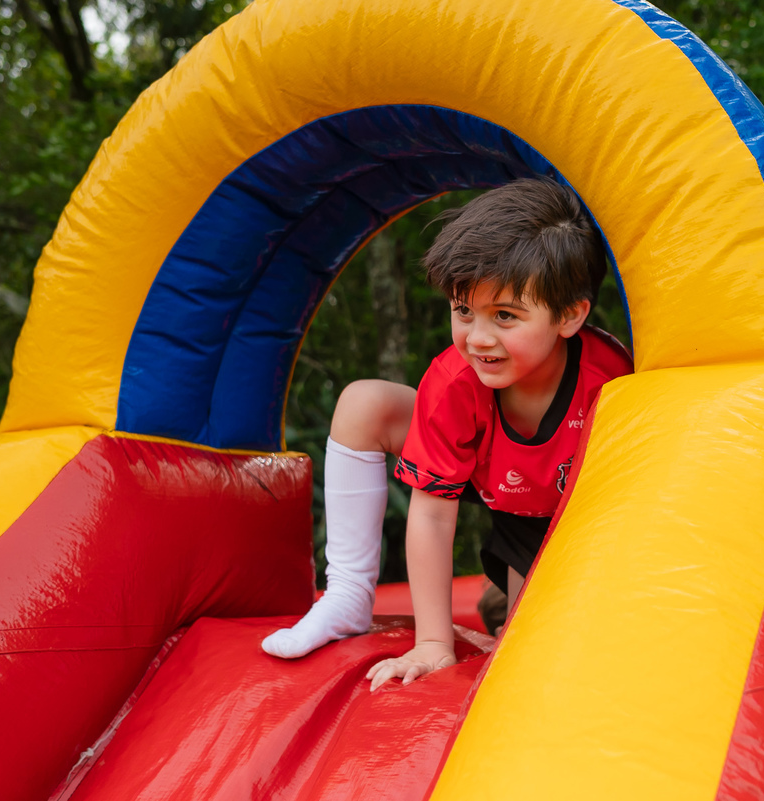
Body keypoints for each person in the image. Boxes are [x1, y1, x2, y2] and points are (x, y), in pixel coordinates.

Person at [261, 179, 632, 689]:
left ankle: (502, 601)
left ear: (569, 316)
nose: (478, 338)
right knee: (364, 402)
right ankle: (346, 594)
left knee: (539, 645)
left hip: (558, 519)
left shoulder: (610, 384)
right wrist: (433, 643)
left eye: (505, 316)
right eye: (463, 312)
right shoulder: (455, 379)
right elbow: (433, 514)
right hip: (488, 471)